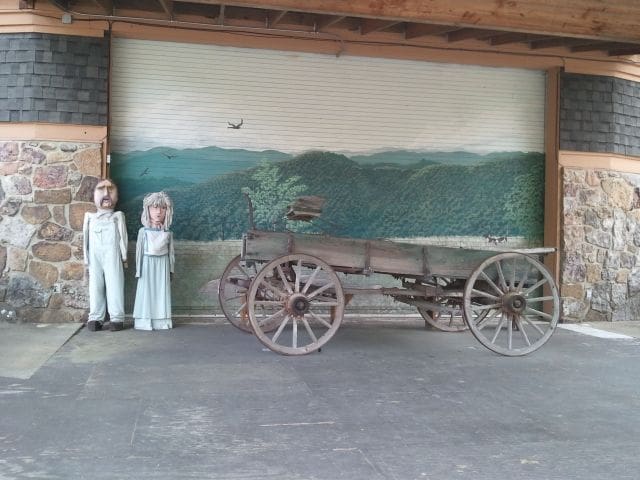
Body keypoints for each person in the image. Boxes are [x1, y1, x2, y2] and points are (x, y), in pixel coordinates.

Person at [83, 178, 128, 332]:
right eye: (101, 189)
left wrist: (124, 256)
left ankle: (116, 318)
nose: (106, 193)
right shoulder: (90, 217)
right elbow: (85, 239)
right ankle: (95, 317)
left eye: (111, 189)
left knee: (115, 283)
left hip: (113, 254)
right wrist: (86, 258)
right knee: (95, 285)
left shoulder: (118, 217)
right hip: (95, 256)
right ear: (93, 195)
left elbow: (123, 237)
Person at [133, 191, 175, 331]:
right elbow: (139, 252)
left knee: (161, 292)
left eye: (162, 208)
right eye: (154, 208)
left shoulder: (168, 233)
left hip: (162, 265)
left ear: (167, 211)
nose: (158, 212)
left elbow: (171, 254)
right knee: (146, 292)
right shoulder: (143, 232)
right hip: (147, 265)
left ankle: (162, 320)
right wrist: (138, 270)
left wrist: (171, 270)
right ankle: (145, 320)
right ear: (148, 209)